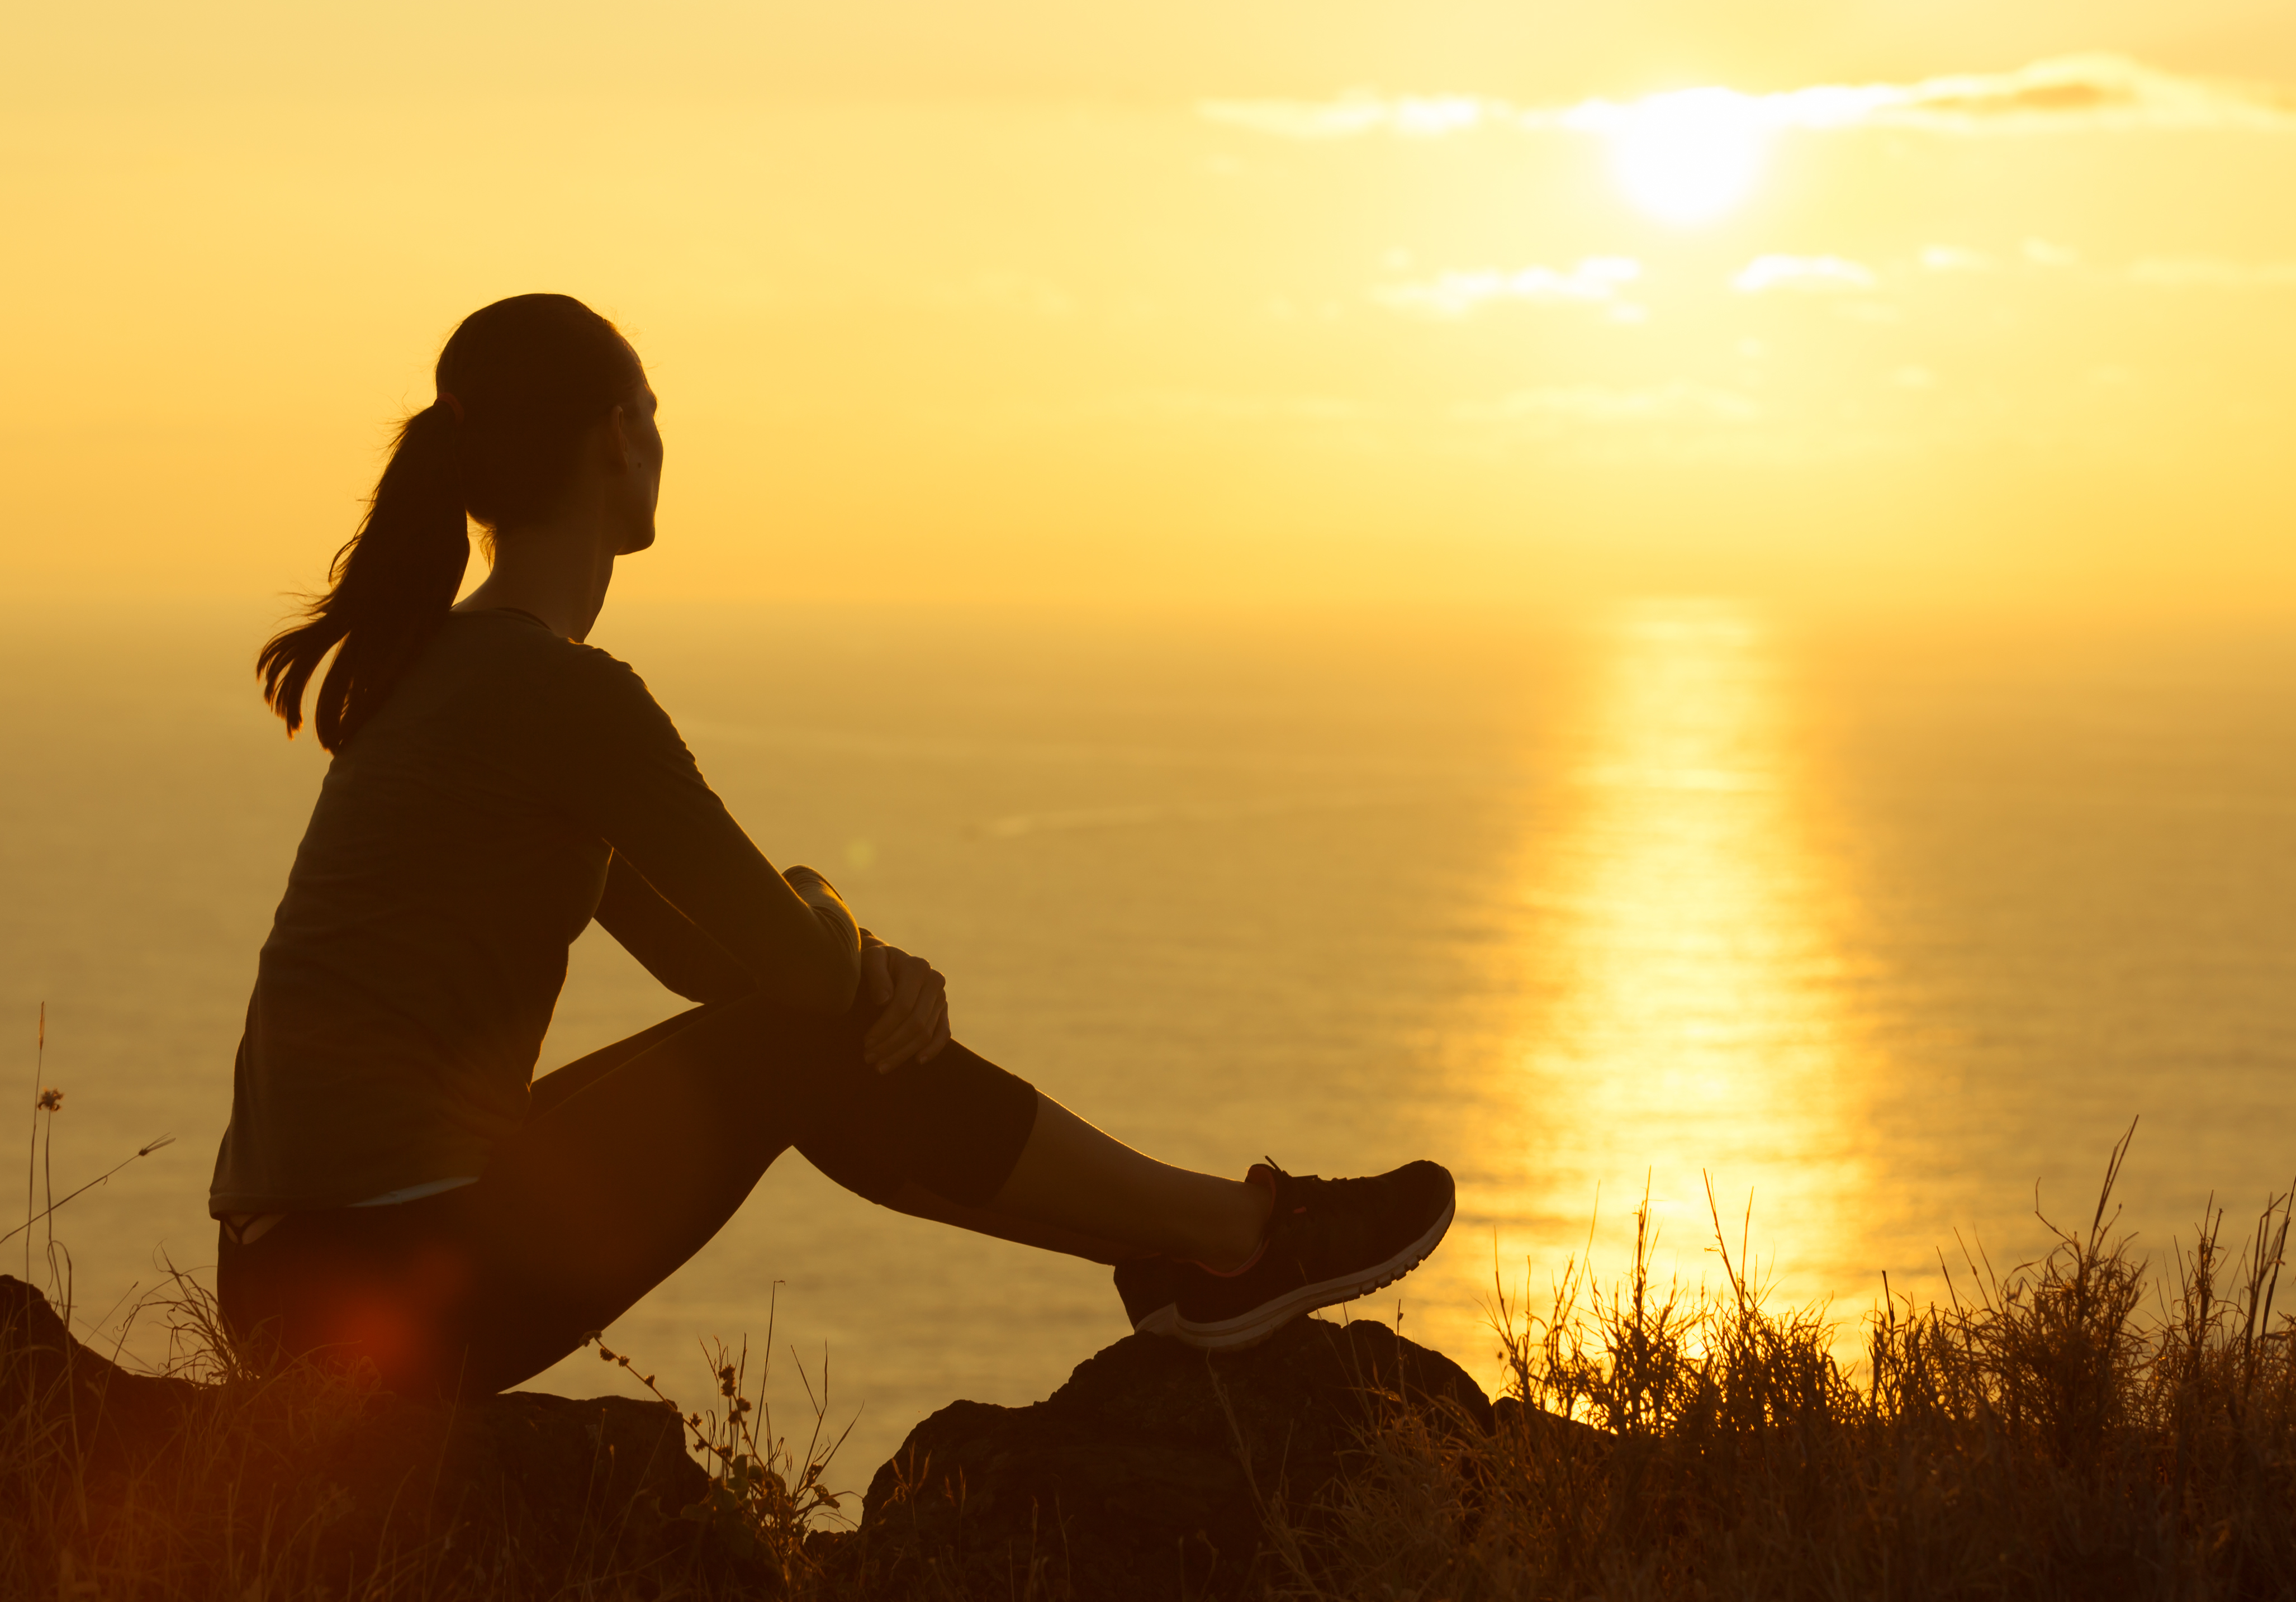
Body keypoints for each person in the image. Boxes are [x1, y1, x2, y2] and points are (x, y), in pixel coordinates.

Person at [210, 293, 1453, 1401]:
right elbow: (794, 982)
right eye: (652, 410)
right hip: (371, 1293)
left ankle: (1197, 1253)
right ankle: (1233, 1236)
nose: (658, 439)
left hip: (296, 1278)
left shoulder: (458, 668)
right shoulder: (555, 692)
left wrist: (845, 959)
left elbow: (707, 964)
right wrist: (847, 933)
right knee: (808, 1034)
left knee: (810, 1028)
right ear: (614, 437)